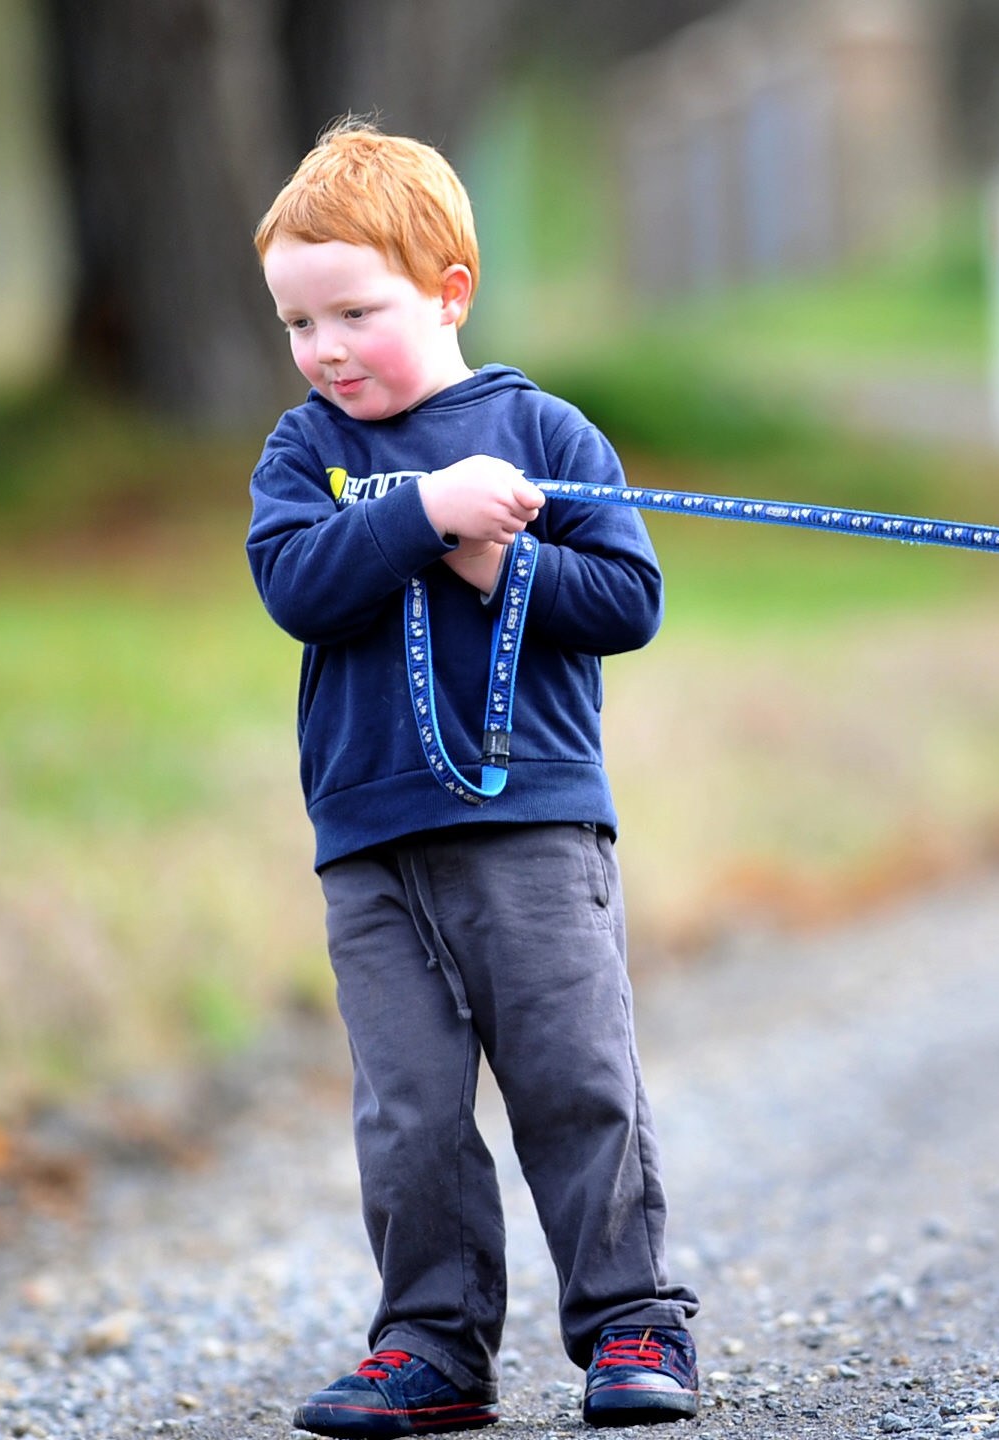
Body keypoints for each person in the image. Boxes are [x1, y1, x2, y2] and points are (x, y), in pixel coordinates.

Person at [246, 120, 700, 1437]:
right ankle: (433, 1344)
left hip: (534, 828)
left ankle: (630, 1322)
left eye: (354, 314)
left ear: (448, 292)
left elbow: (626, 601)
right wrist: (423, 514)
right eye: (297, 324)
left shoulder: (541, 431)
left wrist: (502, 561)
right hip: (372, 836)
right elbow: (299, 586)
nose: (325, 350)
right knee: (410, 1108)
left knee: (572, 1077)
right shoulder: (302, 454)